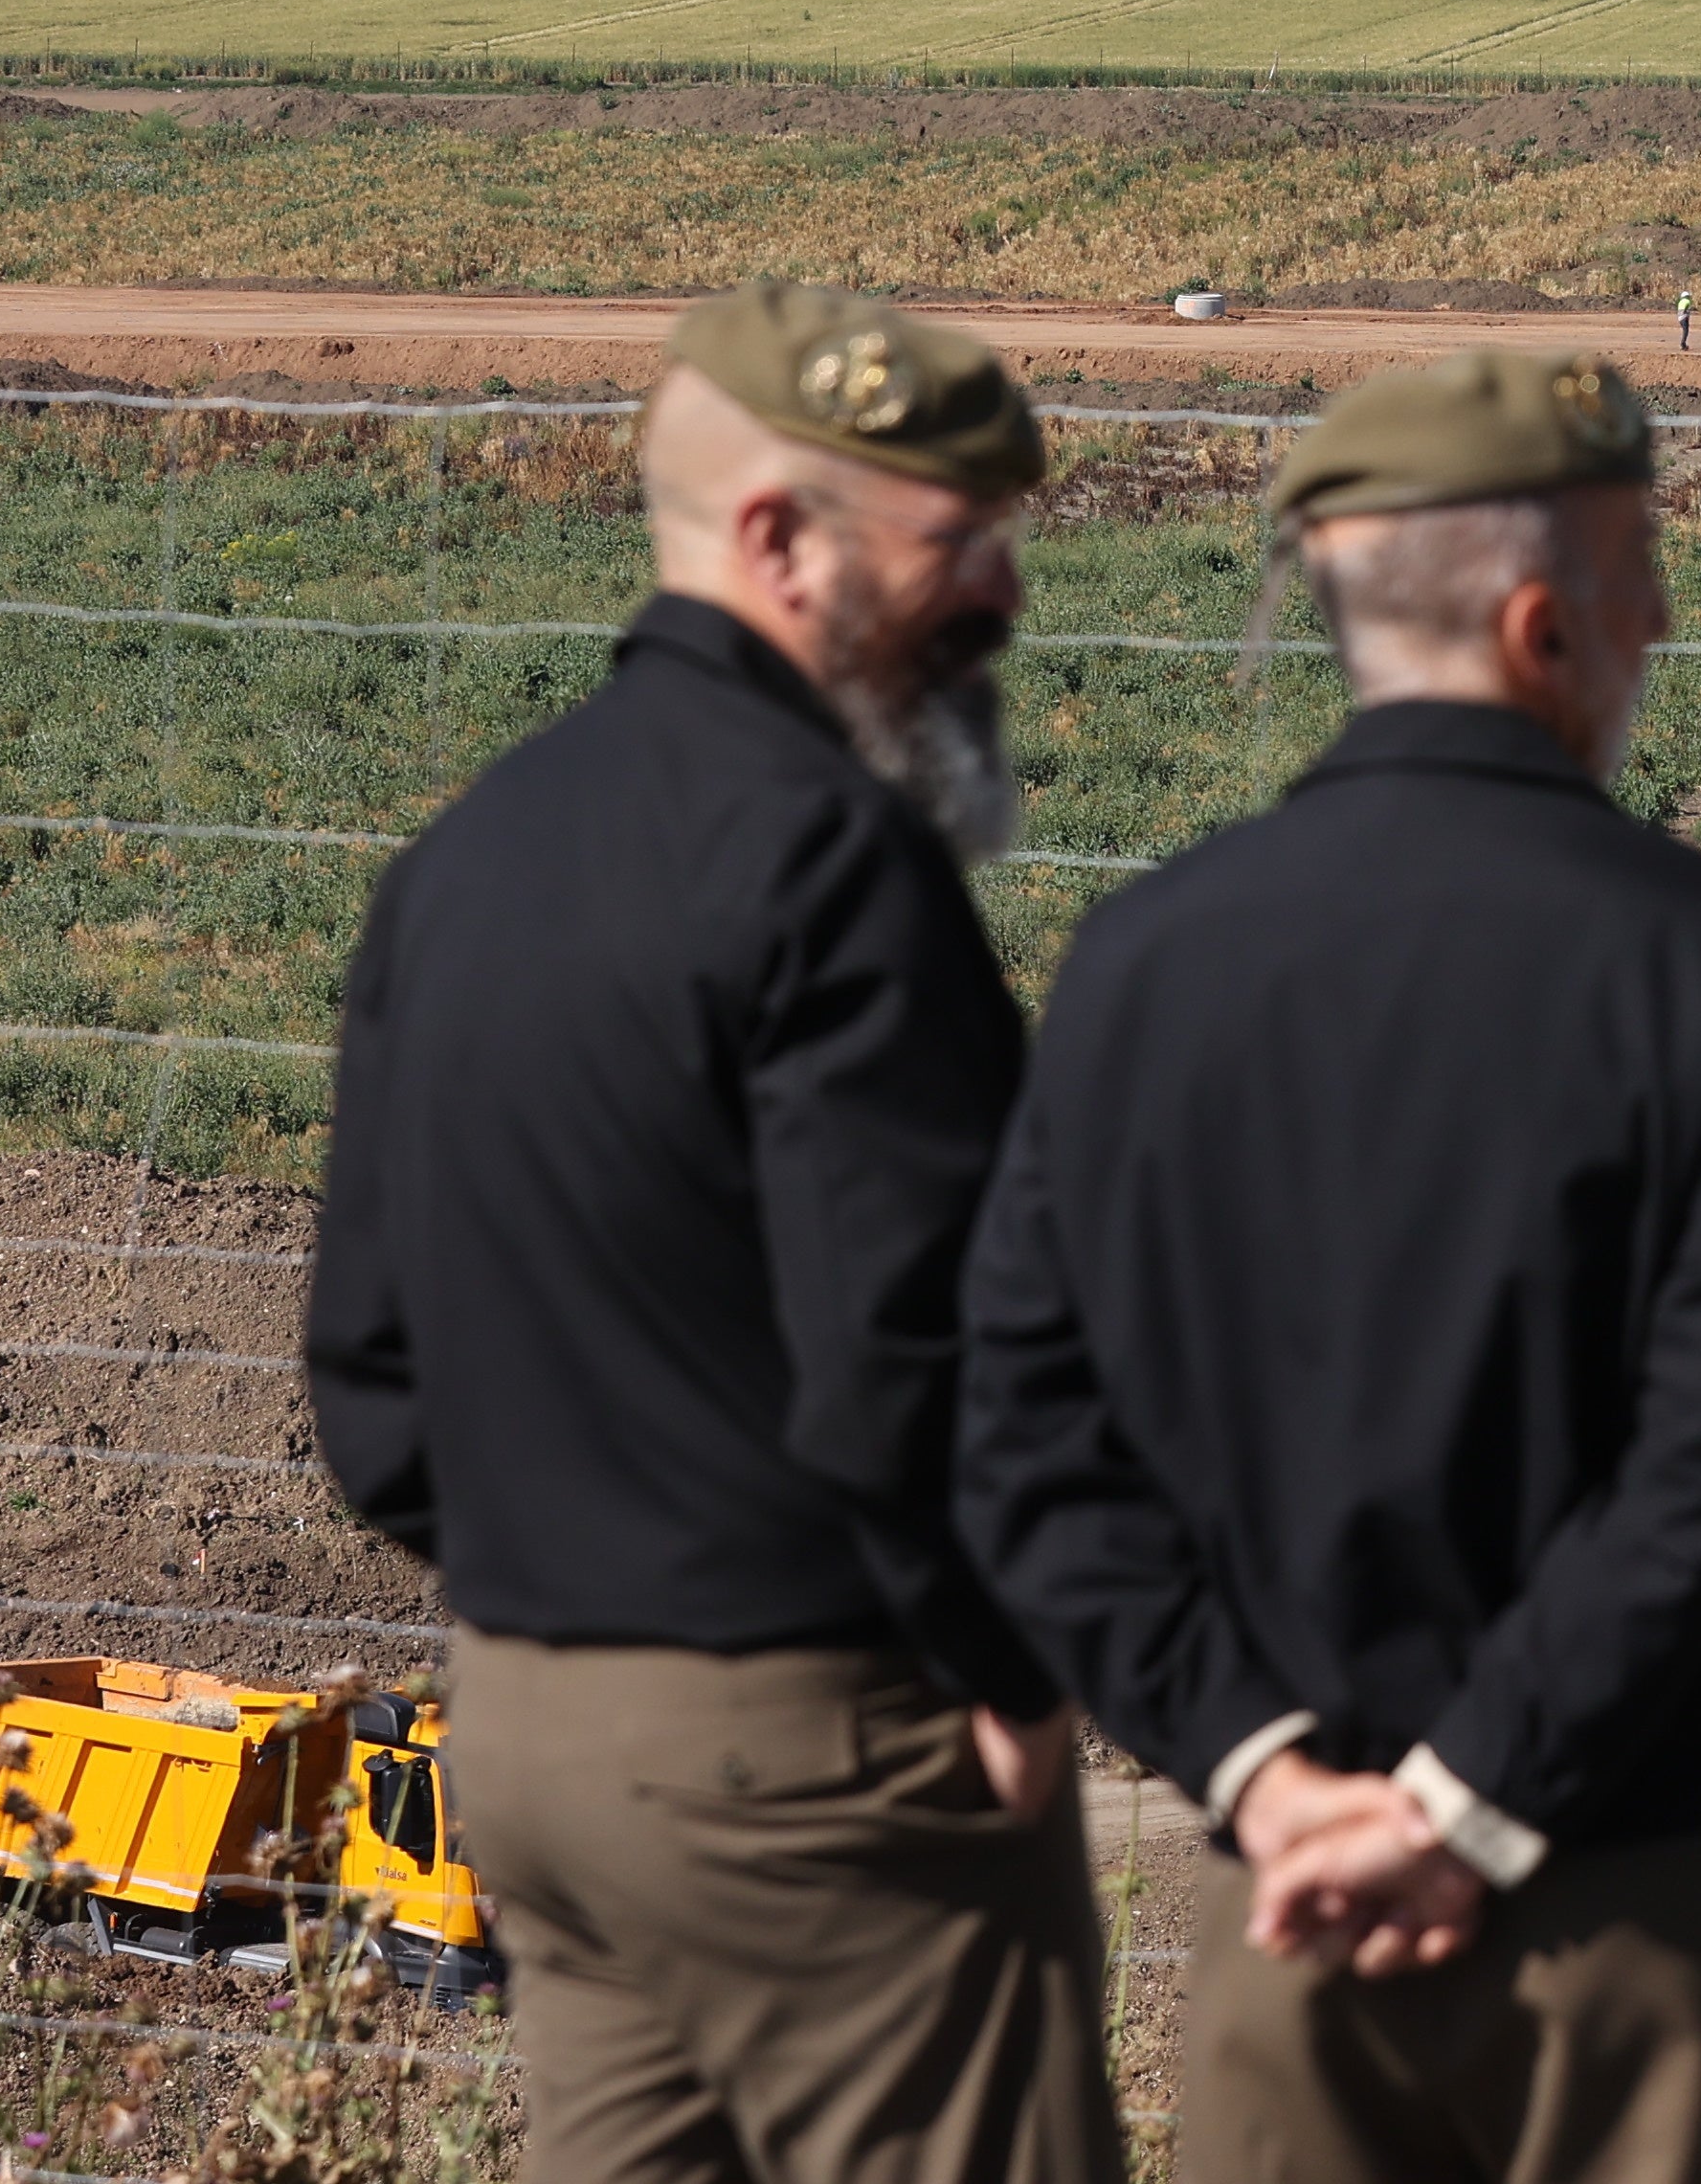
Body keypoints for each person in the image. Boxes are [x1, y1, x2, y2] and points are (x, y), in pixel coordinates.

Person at [963, 348, 1701, 2184]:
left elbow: (1029, 1450)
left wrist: (1272, 1781)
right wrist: (1467, 1807)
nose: (1663, 621)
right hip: (1649, 1892)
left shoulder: (1143, 964)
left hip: (1290, 1915)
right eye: (1639, 576)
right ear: (1541, 626)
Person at [306, 284, 1111, 2184]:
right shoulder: (835, 863)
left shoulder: (466, 860)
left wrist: (582, 1581)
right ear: (780, 543)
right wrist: (1004, 1670)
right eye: (951, 542)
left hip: (530, 1738)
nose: (999, 594)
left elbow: (373, 1382)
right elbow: (917, 1345)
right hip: (822, 1752)